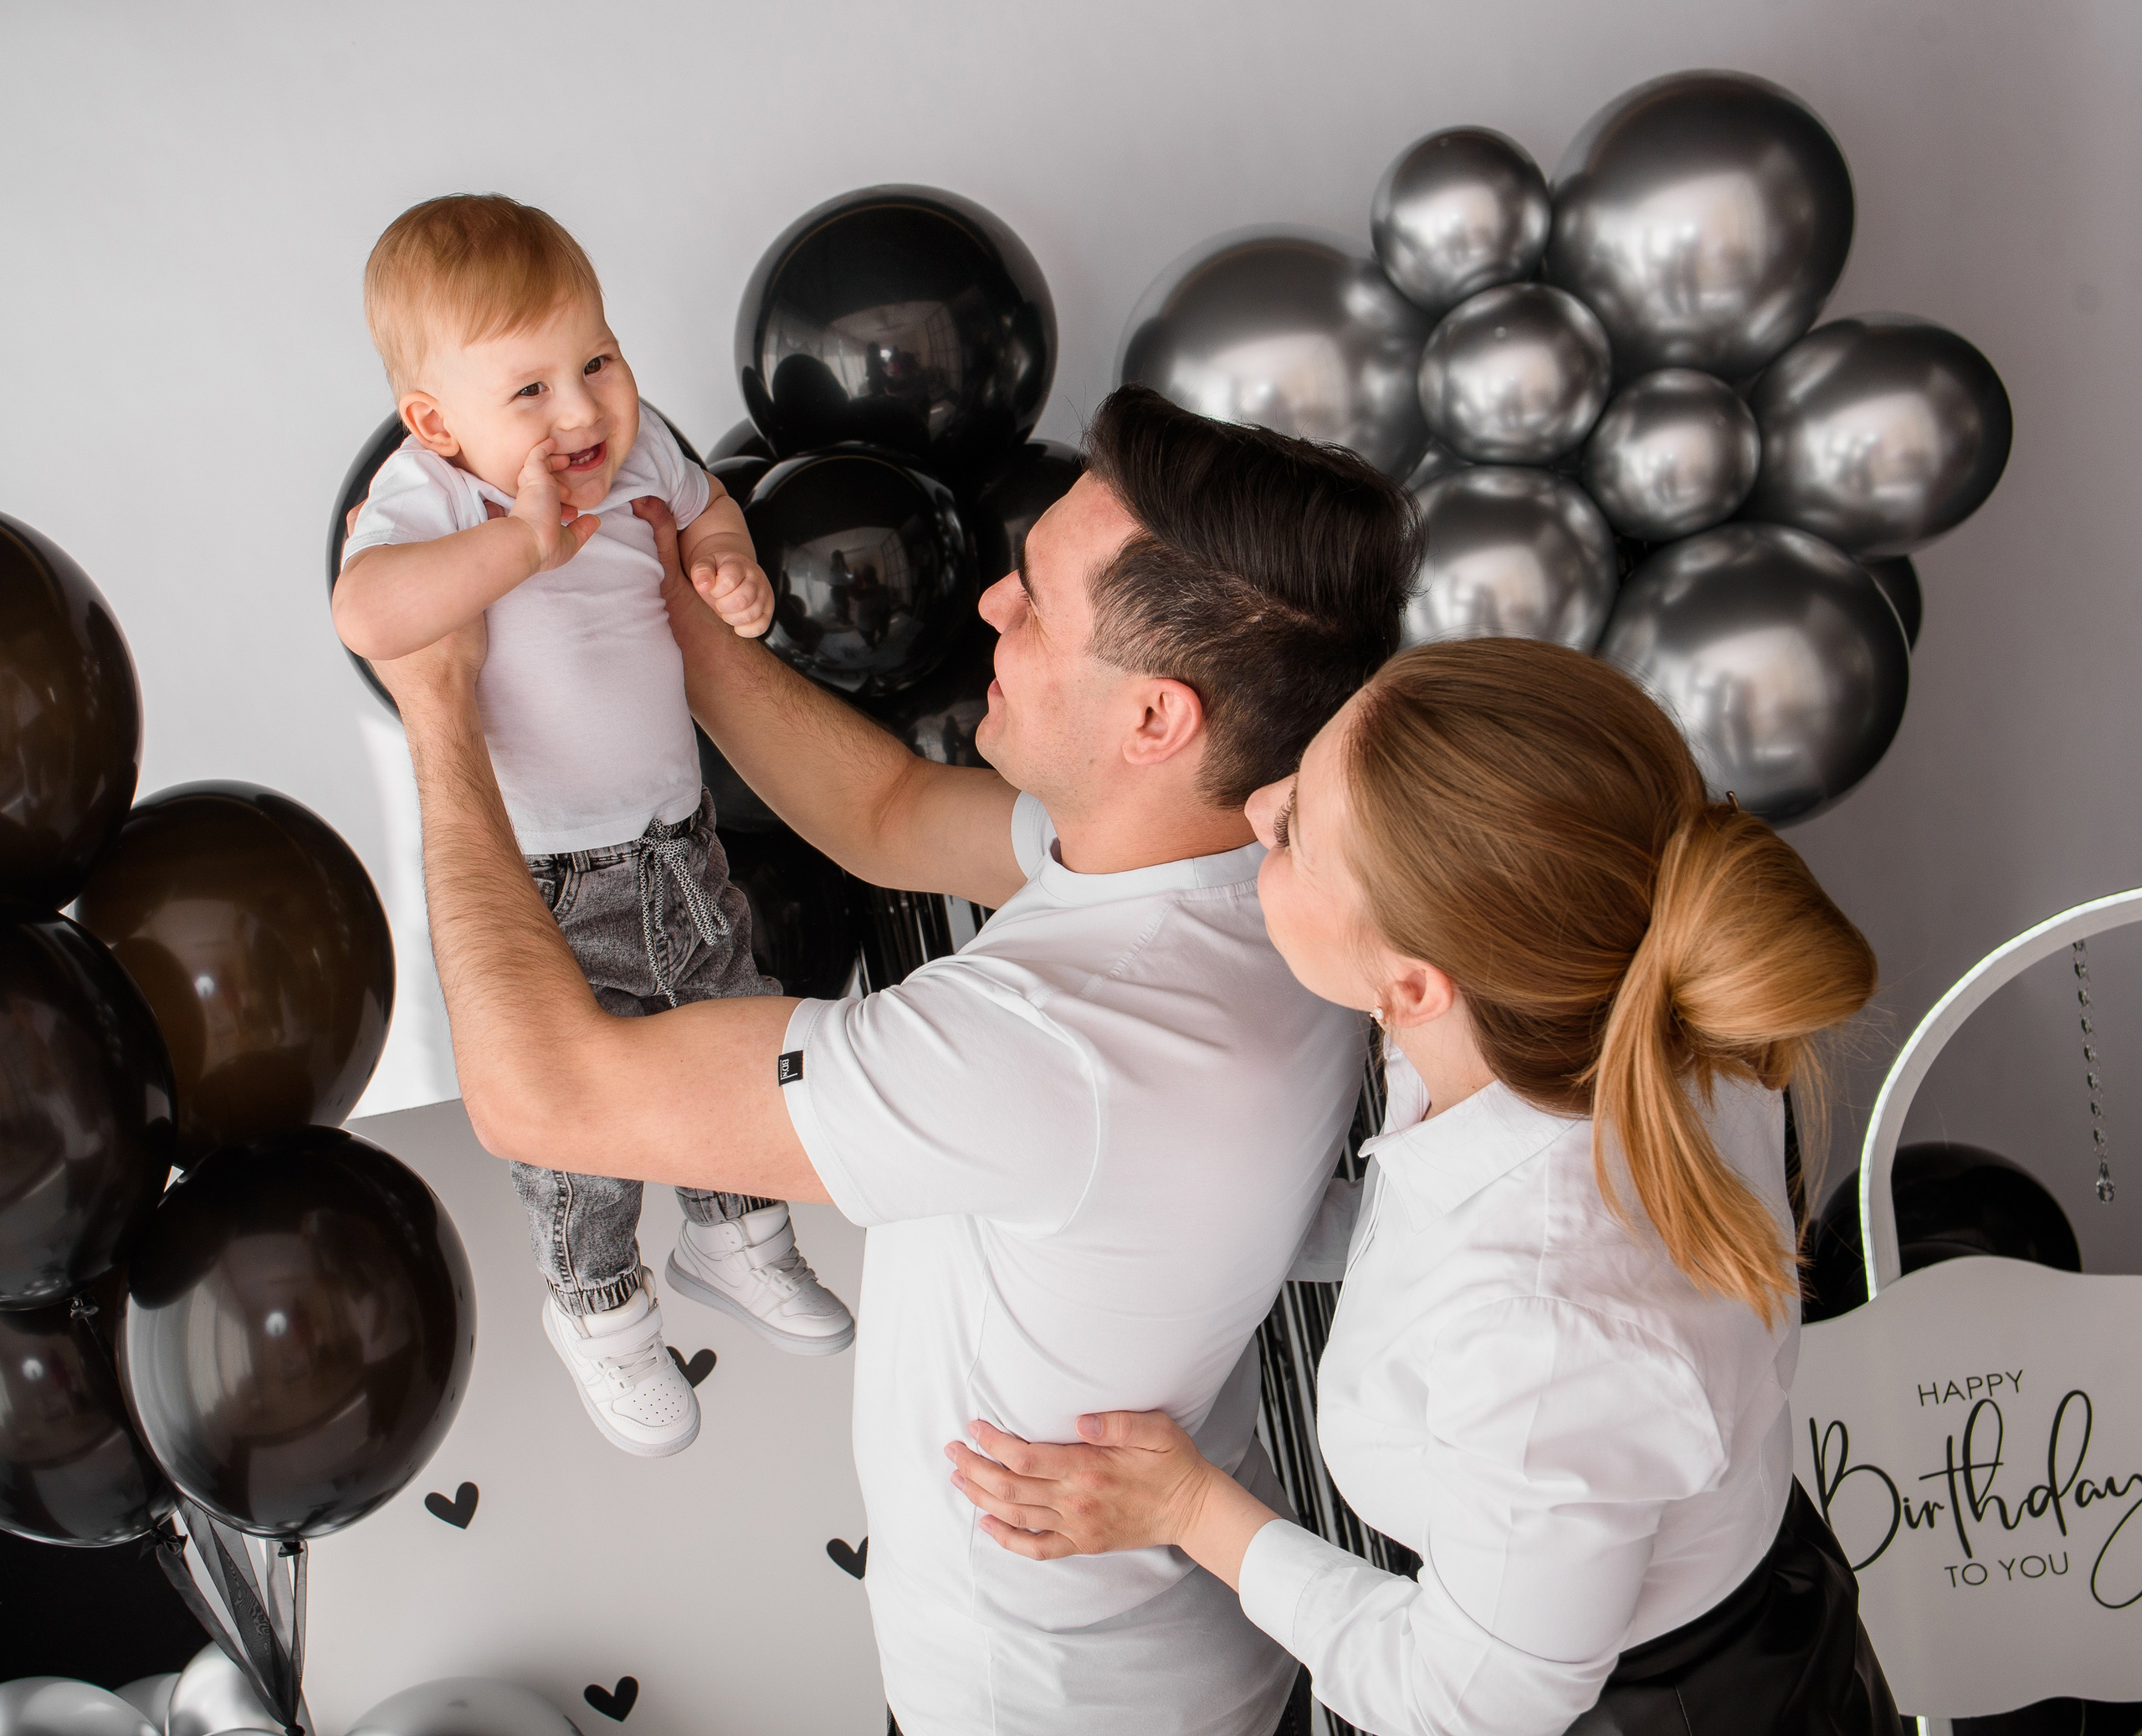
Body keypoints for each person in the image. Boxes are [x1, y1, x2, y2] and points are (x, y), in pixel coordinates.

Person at [368, 385, 1425, 1734]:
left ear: (1157, 721)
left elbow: (545, 1098)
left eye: (1036, 604)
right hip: (1184, 1668)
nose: (990, 604)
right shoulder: (1260, 879)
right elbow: (887, 810)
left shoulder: (1050, 1043)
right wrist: (656, 595)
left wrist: (439, 713)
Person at [945, 638, 1900, 1736]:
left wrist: (1190, 1507)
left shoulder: (1549, 1340)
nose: (1254, 807)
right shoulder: (1592, 1001)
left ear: (1411, 984)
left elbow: (1462, 1704)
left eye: (1295, 833)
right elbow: (1441, 1240)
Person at [336, 194, 854, 1460]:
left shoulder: (636, 451)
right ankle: (602, 1310)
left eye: (599, 361)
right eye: (531, 391)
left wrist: (729, 564)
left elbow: (705, 504)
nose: (582, 412)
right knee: (580, 1125)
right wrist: (517, 550)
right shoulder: (431, 496)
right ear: (437, 423)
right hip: (544, 882)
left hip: (680, 841)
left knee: (723, 1034)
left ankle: (739, 1240)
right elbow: (369, 611)